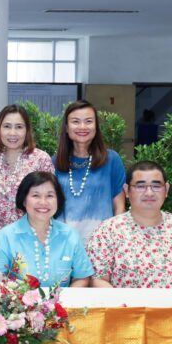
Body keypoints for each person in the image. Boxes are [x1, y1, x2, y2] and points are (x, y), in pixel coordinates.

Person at [87, 161, 172, 288]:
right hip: (128, 307)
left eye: (156, 186)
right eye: (140, 186)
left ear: (166, 189)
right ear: (127, 190)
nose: (149, 193)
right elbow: (98, 280)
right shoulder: (108, 231)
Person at [0, 172, 93, 287]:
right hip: (18, 299)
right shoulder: (6, 236)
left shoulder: (70, 235)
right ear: (24, 200)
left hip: (62, 299)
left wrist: (66, 297)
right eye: (36, 195)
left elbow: (82, 277)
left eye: (50, 196)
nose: (43, 202)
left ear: (58, 200)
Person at [0, 105, 54, 243]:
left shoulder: (41, 159)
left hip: (32, 239)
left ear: (27, 130)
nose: (12, 133)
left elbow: (49, 201)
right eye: (7, 126)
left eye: (19, 127)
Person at [52, 100, 126, 241]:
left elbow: (119, 208)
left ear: (96, 127)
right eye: (76, 121)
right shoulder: (54, 163)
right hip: (63, 243)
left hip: (102, 243)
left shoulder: (112, 160)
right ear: (66, 128)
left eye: (88, 121)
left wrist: (117, 240)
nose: (82, 127)